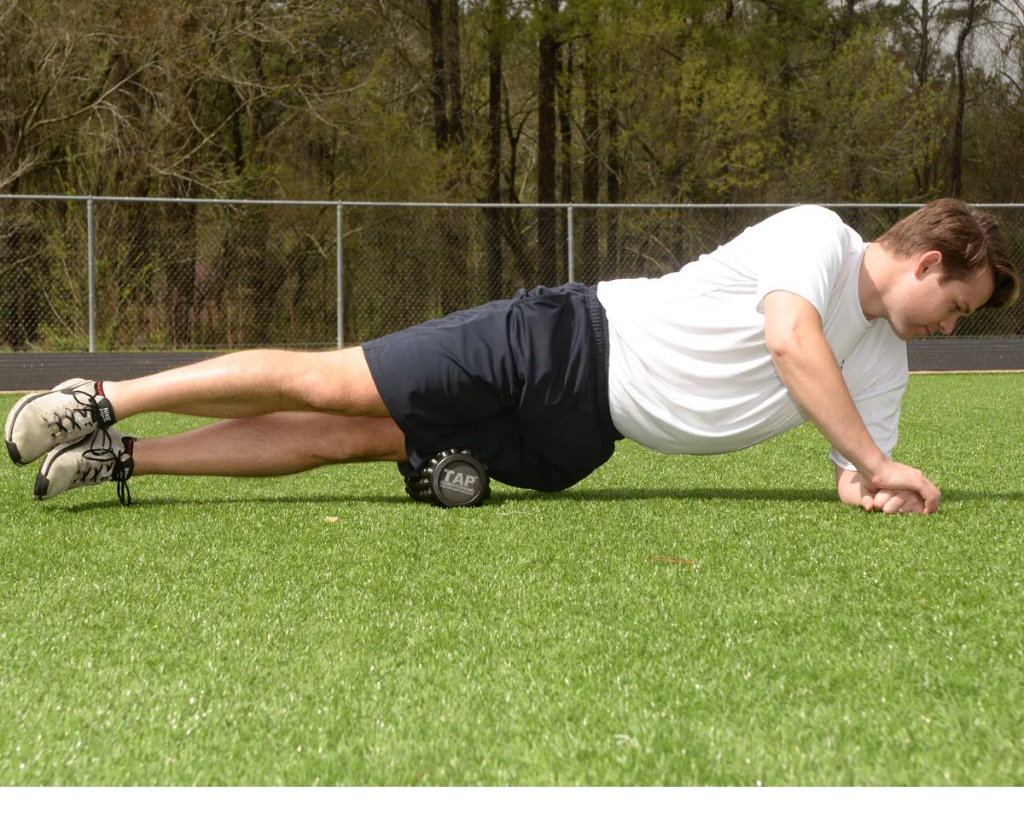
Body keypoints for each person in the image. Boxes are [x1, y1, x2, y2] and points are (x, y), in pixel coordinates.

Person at [5, 198, 1019, 515]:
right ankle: (101, 398)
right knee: (333, 379)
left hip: (580, 439)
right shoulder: (819, 238)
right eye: (955, 306)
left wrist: (871, 486)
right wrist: (875, 460)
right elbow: (791, 339)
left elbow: (852, 467)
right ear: (928, 261)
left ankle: (123, 458)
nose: (946, 327)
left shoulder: (882, 362)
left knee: (353, 438)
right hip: (561, 342)